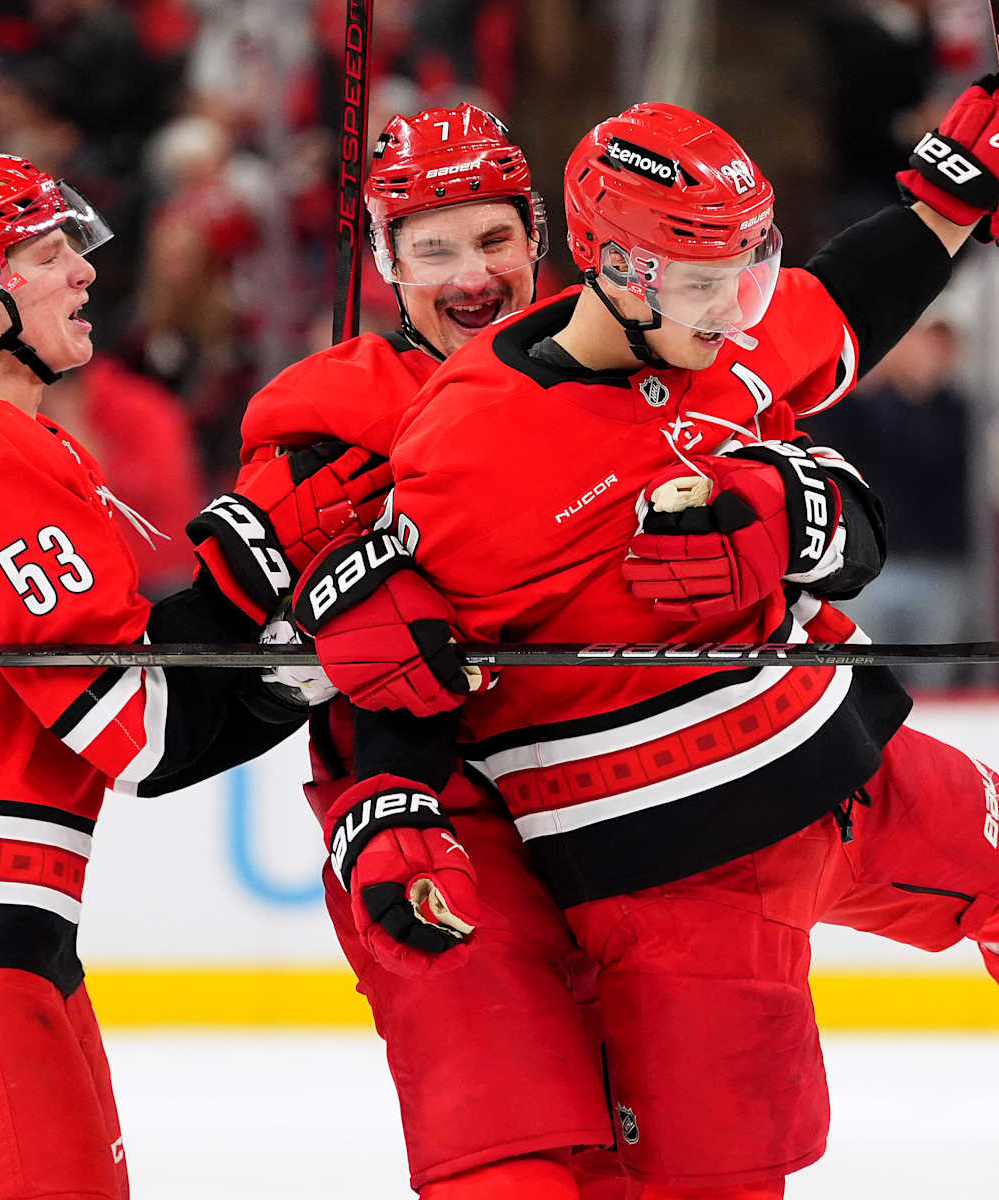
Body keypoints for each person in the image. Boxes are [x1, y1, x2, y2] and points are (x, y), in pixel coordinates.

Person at [293, 72, 999, 1198]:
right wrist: (389, 802)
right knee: (719, 1170)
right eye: (707, 282)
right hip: (677, 871)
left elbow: (840, 300)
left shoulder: (706, 328)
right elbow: (400, 674)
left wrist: (964, 178)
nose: (733, 309)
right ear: (620, 268)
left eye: (746, 269)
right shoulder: (469, 450)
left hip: (843, 764)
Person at [0, 153, 374, 1199]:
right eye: (52, 255)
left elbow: (149, 729)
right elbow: (142, 729)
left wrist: (296, 661)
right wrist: (260, 572)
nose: (86, 274)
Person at [237, 103, 624, 1200]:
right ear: (385, 263)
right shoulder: (325, 420)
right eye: (434, 249)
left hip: (625, 815)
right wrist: (297, 616)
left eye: (494, 241)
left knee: (660, 1158)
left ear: (539, 239)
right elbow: (232, 640)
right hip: (434, 828)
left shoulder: (626, 365)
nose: (471, 276)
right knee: (506, 1150)